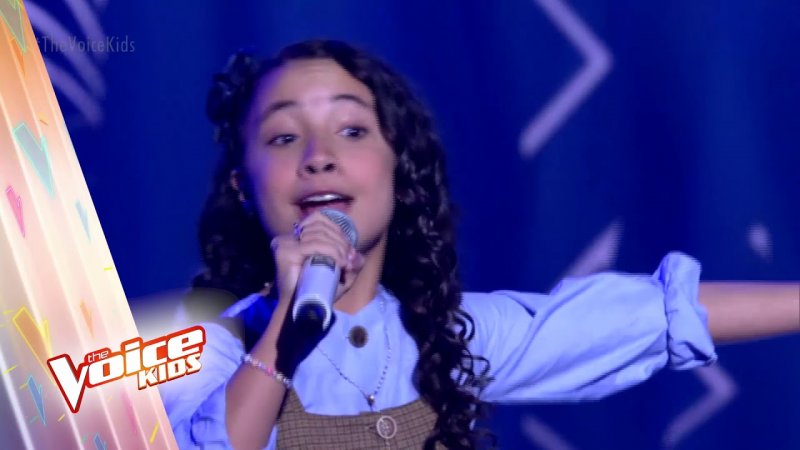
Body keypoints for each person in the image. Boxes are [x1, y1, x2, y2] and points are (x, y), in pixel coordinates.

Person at [160, 40, 800, 450]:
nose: (319, 157)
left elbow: (647, 318)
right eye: (283, 137)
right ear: (243, 186)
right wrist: (286, 329)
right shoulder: (205, 351)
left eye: (352, 130)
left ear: (397, 168)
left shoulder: (444, 336)